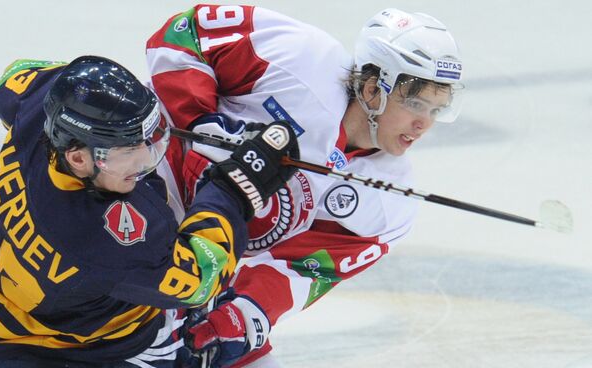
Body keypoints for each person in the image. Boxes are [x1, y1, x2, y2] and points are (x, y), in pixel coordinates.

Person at [145, 5, 464, 367]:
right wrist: (200, 122)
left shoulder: (390, 202)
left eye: (436, 109)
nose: (425, 123)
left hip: (195, 268)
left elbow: (303, 269)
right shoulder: (299, 59)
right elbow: (184, 34)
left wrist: (245, 314)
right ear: (374, 90)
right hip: (129, 195)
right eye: (415, 103)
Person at [0, 55, 299, 367]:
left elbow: (11, 79)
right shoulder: (109, 236)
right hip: (83, 354)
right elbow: (200, 277)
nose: (145, 159)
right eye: (130, 149)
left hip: (9, 317)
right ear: (80, 158)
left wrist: (92, 95)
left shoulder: (42, 105)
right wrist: (234, 190)